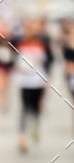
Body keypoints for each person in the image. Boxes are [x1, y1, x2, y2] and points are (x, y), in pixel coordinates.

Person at [12, 17, 53, 153]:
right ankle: (22, 137)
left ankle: (35, 126)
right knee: (24, 108)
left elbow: (49, 62)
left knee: (35, 108)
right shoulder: (19, 42)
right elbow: (11, 57)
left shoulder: (43, 42)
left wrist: (47, 80)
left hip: (38, 81)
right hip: (24, 81)